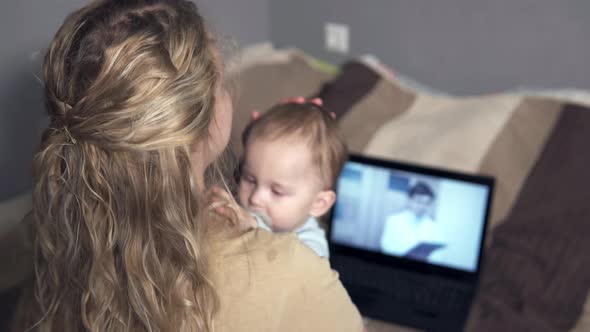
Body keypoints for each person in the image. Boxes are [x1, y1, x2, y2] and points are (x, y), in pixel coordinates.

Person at [8, 1, 363, 331]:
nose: (256, 198)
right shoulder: (294, 275)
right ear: (205, 120)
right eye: (223, 83)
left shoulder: (59, 236)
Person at [238, 98, 347, 258]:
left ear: (318, 204)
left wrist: (252, 231)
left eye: (277, 191)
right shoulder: (243, 206)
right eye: (250, 179)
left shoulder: (311, 251)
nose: (255, 198)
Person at [380, 181, 446, 261]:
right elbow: (386, 246)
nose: (422, 206)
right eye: (419, 202)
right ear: (410, 201)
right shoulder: (393, 221)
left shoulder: (434, 227)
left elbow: (438, 255)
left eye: (427, 203)